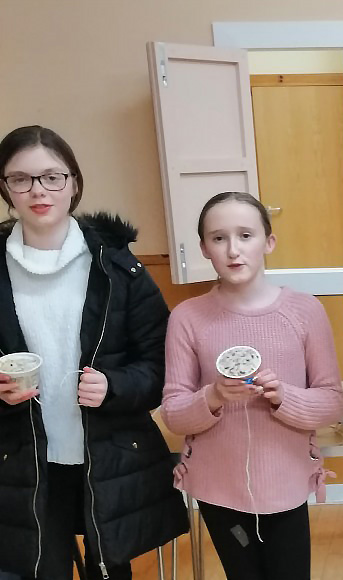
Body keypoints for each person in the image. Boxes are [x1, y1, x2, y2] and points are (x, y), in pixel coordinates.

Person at [0, 125, 188, 579]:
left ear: (74, 183)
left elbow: (160, 363)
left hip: (106, 453)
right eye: (20, 179)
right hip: (22, 456)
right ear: (5, 188)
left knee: (109, 569)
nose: (38, 190)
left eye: (52, 177)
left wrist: (116, 386)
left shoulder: (119, 266)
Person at [161, 191, 343, 580]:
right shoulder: (187, 318)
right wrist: (213, 396)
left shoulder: (305, 311)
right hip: (218, 487)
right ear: (203, 248)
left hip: (288, 483)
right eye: (218, 238)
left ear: (269, 242)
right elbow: (174, 413)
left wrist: (284, 397)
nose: (233, 250)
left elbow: (332, 402)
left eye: (246, 235)